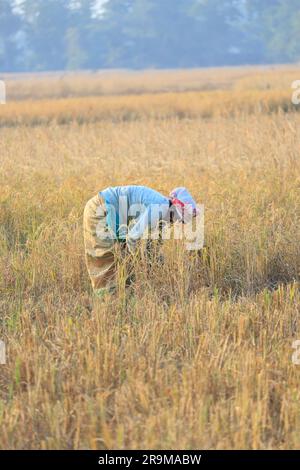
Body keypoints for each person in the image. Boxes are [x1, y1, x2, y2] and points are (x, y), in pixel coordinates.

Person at [83, 185, 198, 298]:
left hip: (113, 213)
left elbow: (152, 247)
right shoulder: (160, 207)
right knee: (108, 256)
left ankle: (124, 297)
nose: (180, 223)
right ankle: (107, 302)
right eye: (182, 220)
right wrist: (137, 260)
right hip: (100, 208)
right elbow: (132, 238)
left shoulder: (165, 216)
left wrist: (157, 264)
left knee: (124, 258)